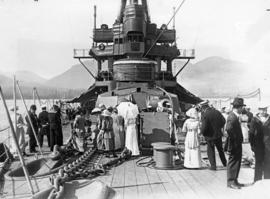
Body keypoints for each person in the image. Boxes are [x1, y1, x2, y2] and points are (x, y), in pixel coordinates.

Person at [200, 101, 227, 170]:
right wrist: (218, 127)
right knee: (220, 150)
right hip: (218, 134)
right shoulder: (217, 112)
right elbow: (223, 121)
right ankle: (225, 163)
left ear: (203, 107)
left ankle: (213, 166)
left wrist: (202, 133)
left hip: (209, 135)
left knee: (210, 150)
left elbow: (204, 126)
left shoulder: (205, 114)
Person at [225, 97, 245, 189]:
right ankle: (231, 182)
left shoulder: (234, 116)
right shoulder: (232, 117)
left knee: (237, 161)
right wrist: (235, 139)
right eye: (242, 107)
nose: (243, 109)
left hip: (236, 143)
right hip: (233, 144)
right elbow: (228, 129)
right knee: (233, 162)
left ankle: (235, 180)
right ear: (239, 107)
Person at [249, 103, 270, 182]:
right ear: (259, 110)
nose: (264, 111)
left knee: (268, 164)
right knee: (258, 164)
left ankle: (267, 181)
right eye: (262, 109)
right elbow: (251, 133)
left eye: (265, 109)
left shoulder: (269, 118)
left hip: (268, 146)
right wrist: (252, 146)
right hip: (258, 146)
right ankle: (257, 181)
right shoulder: (254, 119)